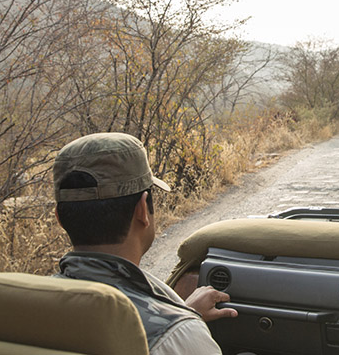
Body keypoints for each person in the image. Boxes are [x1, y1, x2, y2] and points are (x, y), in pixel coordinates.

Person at [52, 132, 236, 355]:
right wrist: (183, 324)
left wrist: (186, 313)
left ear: (59, 218)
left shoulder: (25, 307)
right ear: (142, 210)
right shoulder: (181, 338)